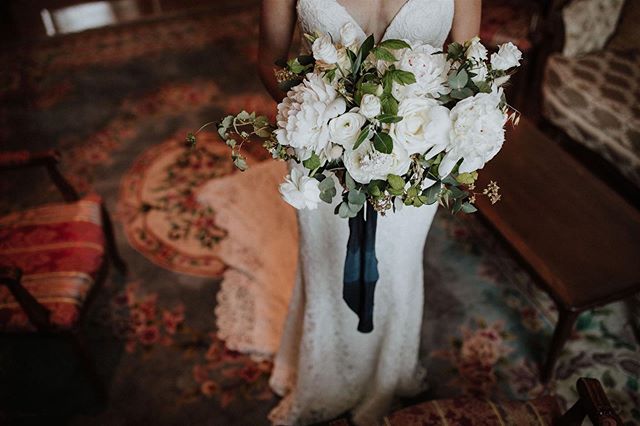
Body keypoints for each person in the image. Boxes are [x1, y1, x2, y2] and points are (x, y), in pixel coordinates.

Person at [257, 1, 481, 424]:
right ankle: (321, 376)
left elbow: (467, 67)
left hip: (417, 154)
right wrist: (321, 123)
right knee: (324, 265)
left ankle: (387, 377)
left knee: (398, 265)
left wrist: (424, 139)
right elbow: (270, 61)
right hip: (321, 153)